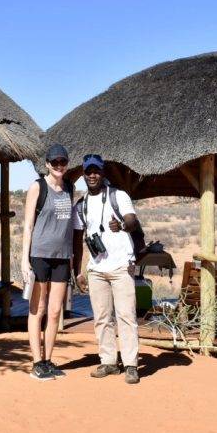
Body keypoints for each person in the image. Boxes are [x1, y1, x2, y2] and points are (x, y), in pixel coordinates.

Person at [72, 154, 141, 384]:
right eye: (88, 172)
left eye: (96, 171)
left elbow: (132, 221)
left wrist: (121, 225)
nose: (92, 175)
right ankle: (109, 361)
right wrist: (78, 271)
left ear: (103, 173)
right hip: (97, 269)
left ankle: (131, 364)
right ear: (83, 174)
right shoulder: (80, 206)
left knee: (126, 316)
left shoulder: (118, 196)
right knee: (102, 318)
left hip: (121, 265)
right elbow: (77, 240)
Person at [21, 144, 73, 381]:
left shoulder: (70, 189)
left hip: (62, 257)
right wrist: (24, 259)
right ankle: (36, 362)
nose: (59, 166)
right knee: (38, 309)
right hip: (40, 255)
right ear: (47, 165)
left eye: (63, 162)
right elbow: (28, 225)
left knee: (54, 312)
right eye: (55, 163)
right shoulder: (37, 187)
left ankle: (49, 360)